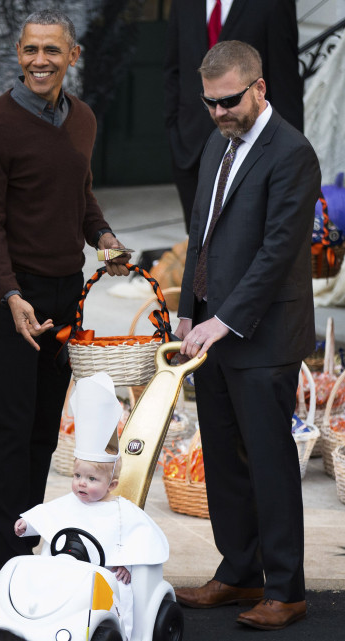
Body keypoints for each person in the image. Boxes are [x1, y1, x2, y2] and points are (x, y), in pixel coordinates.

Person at [0, 8, 130, 582]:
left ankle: (28, 532)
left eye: (52, 51)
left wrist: (104, 238)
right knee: (11, 421)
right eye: (31, 50)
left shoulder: (81, 118)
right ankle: (5, 555)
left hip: (65, 291)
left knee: (42, 425)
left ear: (71, 56)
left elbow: (81, 198)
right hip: (12, 292)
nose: (41, 61)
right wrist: (9, 295)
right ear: (18, 53)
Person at [174, 41, 320, 631]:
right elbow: (200, 234)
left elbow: (276, 252)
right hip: (209, 331)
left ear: (260, 87)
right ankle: (239, 573)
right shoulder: (217, 142)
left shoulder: (293, 153)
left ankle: (286, 589)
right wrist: (188, 311)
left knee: (269, 463)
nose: (219, 113)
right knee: (225, 464)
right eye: (210, 103)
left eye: (229, 101)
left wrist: (222, 320)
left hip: (262, 336)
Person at [13, 374, 169, 641]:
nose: (81, 485)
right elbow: (49, 515)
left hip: (102, 580)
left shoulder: (124, 512)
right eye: (77, 477)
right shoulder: (70, 503)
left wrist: (125, 565)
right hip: (65, 575)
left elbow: (140, 542)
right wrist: (28, 525)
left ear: (112, 484)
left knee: (122, 591)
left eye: (92, 479)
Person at [164, 0, 303, 232]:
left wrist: (287, 157)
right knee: (199, 246)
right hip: (190, 149)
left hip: (253, 152)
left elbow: (285, 83)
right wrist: (173, 129)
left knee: (245, 247)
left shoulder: (274, 5)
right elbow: (173, 70)